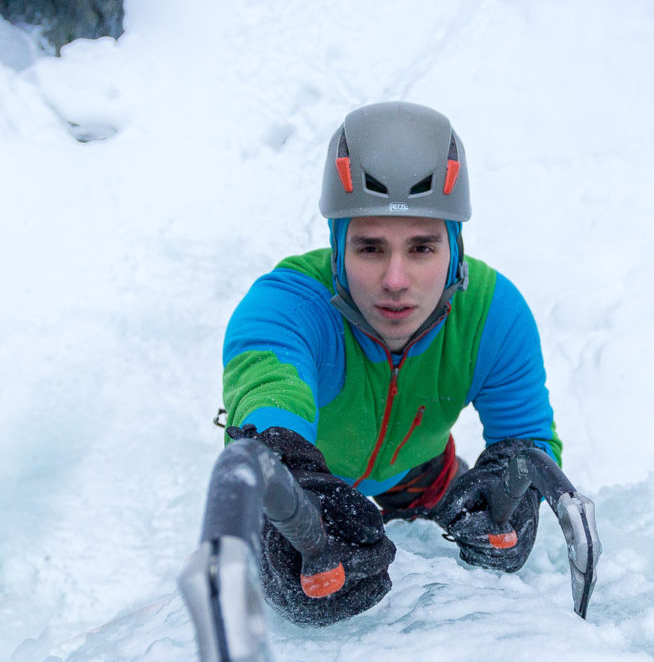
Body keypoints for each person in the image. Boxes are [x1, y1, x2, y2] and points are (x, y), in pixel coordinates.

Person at [221, 101, 565, 625]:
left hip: (423, 478)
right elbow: (269, 398)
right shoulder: (284, 307)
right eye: (370, 248)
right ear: (337, 249)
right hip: (311, 494)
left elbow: (527, 440)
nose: (396, 280)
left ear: (454, 247)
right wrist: (285, 483)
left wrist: (515, 498)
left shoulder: (494, 315)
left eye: (423, 248)